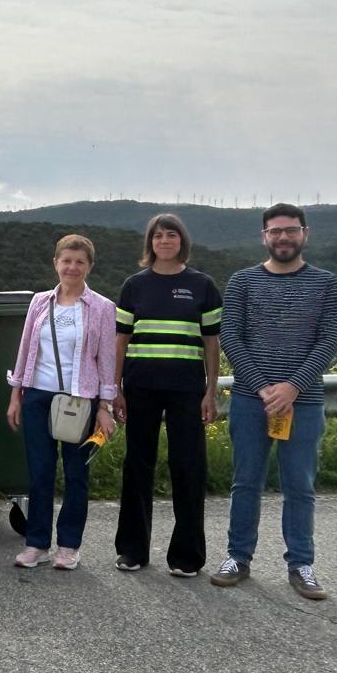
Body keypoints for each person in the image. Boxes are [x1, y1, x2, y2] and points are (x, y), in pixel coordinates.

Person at [214, 204, 337, 600]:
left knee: (300, 486)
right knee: (245, 482)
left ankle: (301, 564)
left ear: (304, 233)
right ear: (263, 236)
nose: (283, 237)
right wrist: (264, 389)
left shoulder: (327, 284)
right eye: (275, 231)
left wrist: (292, 388)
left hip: (303, 403)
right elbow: (230, 338)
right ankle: (238, 557)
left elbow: (329, 341)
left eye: (290, 230)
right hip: (251, 401)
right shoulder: (242, 281)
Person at [111, 214, 222, 577]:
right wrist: (116, 388)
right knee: (137, 467)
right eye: (157, 236)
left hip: (187, 390)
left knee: (188, 468)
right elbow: (121, 340)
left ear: (182, 241)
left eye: (171, 235)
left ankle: (186, 556)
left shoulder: (202, 285)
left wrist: (210, 391)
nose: (164, 241)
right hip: (140, 386)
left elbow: (211, 342)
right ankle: (132, 551)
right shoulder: (134, 286)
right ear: (150, 243)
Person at [5, 234, 118, 571]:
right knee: (39, 472)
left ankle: (68, 545)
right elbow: (25, 350)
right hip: (37, 395)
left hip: (80, 399)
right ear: (56, 263)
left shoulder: (102, 307)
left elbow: (107, 360)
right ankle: (36, 543)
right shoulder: (40, 302)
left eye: (79, 262)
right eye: (66, 260)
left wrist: (105, 406)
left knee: (75, 473)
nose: (72, 267)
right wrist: (16, 395)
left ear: (89, 267)